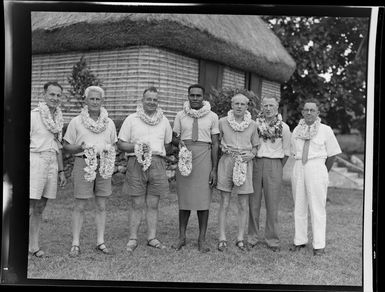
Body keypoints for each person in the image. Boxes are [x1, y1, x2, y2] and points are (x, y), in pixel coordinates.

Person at [63, 85, 117, 257]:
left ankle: (100, 242)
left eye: (98, 99)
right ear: (85, 100)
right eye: (91, 98)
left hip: (103, 165)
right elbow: (66, 146)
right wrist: (79, 147)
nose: (95, 102)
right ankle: (75, 243)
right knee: (80, 205)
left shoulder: (109, 123)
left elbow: (114, 144)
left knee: (101, 205)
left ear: (102, 101)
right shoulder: (76, 121)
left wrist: (108, 154)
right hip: (83, 163)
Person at [118, 86, 172, 252]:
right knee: (136, 202)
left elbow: (168, 145)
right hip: (136, 162)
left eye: (155, 99)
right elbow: (121, 144)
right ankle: (133, 238)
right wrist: (138, 147)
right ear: (142, 100)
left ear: (158, 102)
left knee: (153, 203)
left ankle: (152, 237)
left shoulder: (164, 121)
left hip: (157, 162)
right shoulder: (132, 119)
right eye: (148, 99)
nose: (152, 102)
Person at [171, 84, 219, 253]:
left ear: (203, 97)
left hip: (204, 158)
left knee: (203, 200)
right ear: (188, 96)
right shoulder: (180, 115)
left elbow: (215, 143)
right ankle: (181, 237)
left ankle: (202, 239)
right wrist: (179, 143)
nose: (195, 98)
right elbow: (173, 138)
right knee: (185, 199)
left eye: (198, 95)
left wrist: (214, 169)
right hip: (186, 156)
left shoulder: (212, 116)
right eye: (192, 95)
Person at [290, 99, 341, 256]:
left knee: (317, 207)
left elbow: (332, 155)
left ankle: (319, 245)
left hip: (317, 167)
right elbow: (293, 151)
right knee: (299, 205)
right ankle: (300, 241)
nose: (309, 112)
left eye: (312, 110)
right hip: (299, 167)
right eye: (306, 110)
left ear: (318, 113)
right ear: (303, 112)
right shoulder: (297, 130)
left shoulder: (325, 130)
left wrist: (322, 171)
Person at [216, 93, 259, 252]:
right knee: (224, 201)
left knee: (243, 203)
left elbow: (256, 146)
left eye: (242, 104)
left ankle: (240, 237)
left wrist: (252, 154)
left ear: (247, 106)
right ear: (231, 105)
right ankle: (222, 238)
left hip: (245, 163)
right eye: (236, 103)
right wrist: (222, 147)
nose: (239, 106)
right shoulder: (222, 122)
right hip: (227, 161)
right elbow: (216, 141)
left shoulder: (253, 125)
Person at [248, 96, 291, 252]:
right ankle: (252, 237)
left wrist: (277, 167)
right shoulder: (254, 125)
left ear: (277, 107)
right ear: (262, 107)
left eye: (271, 105)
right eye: (265, 105)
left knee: (272, 204)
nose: (268, 108)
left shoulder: (284, 128)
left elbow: (286, 152)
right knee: (253, 202)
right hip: (257, 163)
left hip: (274, 164)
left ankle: (272, 239)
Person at [29, 81, 67, 257]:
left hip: (52, 162)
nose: (55, 98)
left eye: (58, 95)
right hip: (35, 161)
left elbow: (58, 146)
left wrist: (61, 171)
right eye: (52, 94)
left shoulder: (59, 118)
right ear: (43, 95)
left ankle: (34, 245)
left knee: (41, 205)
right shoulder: (33, 116)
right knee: (29, 205)